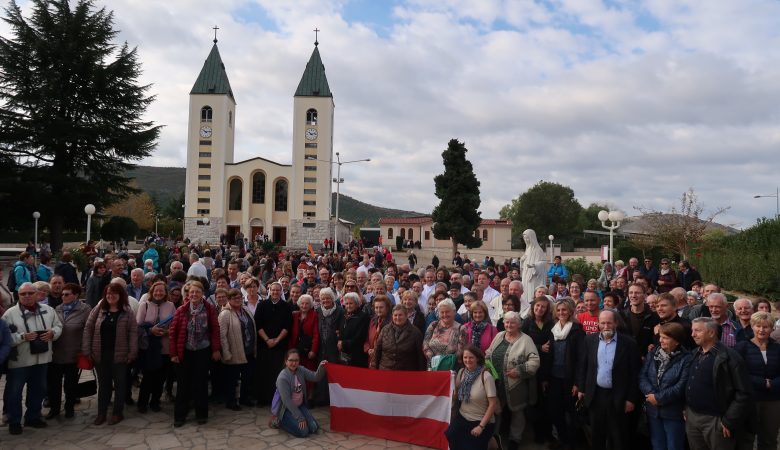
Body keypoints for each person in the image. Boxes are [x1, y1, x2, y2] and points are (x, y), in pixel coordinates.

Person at [575, 309, 641, 450]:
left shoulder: (629, 343)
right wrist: (581, 388)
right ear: (598, 324)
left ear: (616, 323)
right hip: (595, 395)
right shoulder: (589, 340)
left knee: (618, 436)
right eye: (603, 323)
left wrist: (631, 398)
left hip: (618, 396)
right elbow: (583, 365)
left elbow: (635, 373)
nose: (606, 326)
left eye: (609, 323)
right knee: (597, 433)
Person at [2, 282, 63, 435]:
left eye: (30, 293)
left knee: (39, 389)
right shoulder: (10, 314)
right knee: (15, 392)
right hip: (19, 361)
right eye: (23, 294)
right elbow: (3, 337)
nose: (27, 296)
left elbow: (58, 326)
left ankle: (33, 416)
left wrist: (52, 333)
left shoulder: (48, 310)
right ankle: (15, 421)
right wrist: (22, 337)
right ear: (18, 295)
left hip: (42, 359)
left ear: (37, 294)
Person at [685, 317, 752, 450]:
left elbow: (744, 393)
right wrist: (686, 408)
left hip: (716, 420)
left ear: (711, 333)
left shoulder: (731, 357)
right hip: (692, 417)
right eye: (693, 330)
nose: (692, 334)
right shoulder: (695, 354)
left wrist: (729, 420)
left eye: (697, 331)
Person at [82, 282, 138, 425]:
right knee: (104, 385)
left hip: (119, 355)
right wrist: (87, 349)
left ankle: (117, 413)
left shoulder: (127, 311)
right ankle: (101, 413)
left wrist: (132, 353)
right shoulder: (99, 309)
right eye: (108, 293)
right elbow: (88, 327)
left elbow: (133, 333)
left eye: (114, 293)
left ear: (121, 295)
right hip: (100, 354)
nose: (110, 296)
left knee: (120, 385)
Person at [485, 311, 541, 450]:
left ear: (519, 324)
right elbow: (489, 352)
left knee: (518, 413)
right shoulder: (499, 335)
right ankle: (494, 437)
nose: (509, 325)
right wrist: (487, 365)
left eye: (513, 322)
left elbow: (535, 361)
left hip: (516, 385)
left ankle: (515, 439)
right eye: (507, 322)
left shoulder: (526, 340)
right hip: (496, 383)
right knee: (495, 410)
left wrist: (519, 370)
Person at [169, 280, 221, 427]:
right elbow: (173, 332)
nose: (194, 294)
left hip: (203, 350)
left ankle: (201, 414)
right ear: (188, 294)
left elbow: (215, 329)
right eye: (192, 292)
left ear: (202, 293)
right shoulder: (182, 310)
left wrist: (216, 349)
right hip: (185, 350)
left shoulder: (209, 309)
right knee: (183, 384)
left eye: (197, 292)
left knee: (201, 383)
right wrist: (173, 353)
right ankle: (180, 416)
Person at [639, 322, 692, 450]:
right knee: (657, 444)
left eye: (665, 338)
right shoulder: (653, 353)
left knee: (674, 445)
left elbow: (681, 386)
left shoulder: (687, 358)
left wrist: (659, 398)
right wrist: (651, 395)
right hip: (653, 410)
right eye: (660, 337)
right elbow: (642, 376)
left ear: (677, 341)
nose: (661, 341)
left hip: (673, 412)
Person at [734, 312, 780, 450]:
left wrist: (772, 383)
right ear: (752, 327)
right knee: (746, 438)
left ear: (772, 328)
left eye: (766, 327)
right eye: (758, 326)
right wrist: (762, 383)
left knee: (769, 438)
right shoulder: (742, 347)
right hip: (749, 398)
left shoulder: (777, 348)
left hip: (773, 399)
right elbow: (738, 373)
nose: (761, 330)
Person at [47, 283, 90, 419]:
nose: (63, 296)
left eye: (67, 294)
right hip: (56, 353)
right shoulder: (57, 309)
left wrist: (85, 350)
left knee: (70, 384)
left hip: (73, 354)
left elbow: (88, 331)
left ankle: (69, 408)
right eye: (62, 294)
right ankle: (54, 409)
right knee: (54, 384)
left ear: (76, 295)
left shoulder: (85, 310)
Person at [546, 299, 585, 450]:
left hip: (570, 379)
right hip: (554, 377)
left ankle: (571, 443)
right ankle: (562, 440)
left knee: (571, 413)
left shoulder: (577, 330)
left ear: (570, 311)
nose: (561, 312)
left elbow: (581, 359)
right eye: (559, 310)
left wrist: (578, 383)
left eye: (564, 310)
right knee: (555, 410)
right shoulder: (553, 329)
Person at [445, 345, 499, 450]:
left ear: (477, 358)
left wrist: (481, 427)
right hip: (463, 416)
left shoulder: (486, 376)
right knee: (450, 435)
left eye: (471, 357)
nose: (467, 360)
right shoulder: (461, 373)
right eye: (465, 357)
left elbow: (493, 404)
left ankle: (492, 442)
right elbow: (455, 396)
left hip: (481, 420)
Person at [136, 280, 175, 413]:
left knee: (160, 377)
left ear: (165, 293)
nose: (159, 293)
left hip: (164, 347)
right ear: (152, 292)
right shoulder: (144, 305)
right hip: (149, 347)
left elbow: (175, 326)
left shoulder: (170, 306)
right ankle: (142, 402)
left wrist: (167, 332)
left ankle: (155, 401)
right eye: (156, 290)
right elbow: (138, 327)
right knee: (148, 377)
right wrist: (150, 331)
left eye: (161, 291)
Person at [521, 296, 555, 445]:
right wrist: (540, 347)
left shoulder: (551, 323)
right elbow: (521, 342)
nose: (540, 309)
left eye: (543, 307)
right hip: (532, 369)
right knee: (534, 403)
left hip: (547, 367)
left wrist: (545, 347)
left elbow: (553, 343)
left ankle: (548, 433)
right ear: (533, 307)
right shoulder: (527, 323)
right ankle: (538, 434)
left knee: (547, 403)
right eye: (537, 306)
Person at [274, 349, 327, 437]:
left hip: (299, 405)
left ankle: (297, 420)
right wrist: (300, 417)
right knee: (304, 432)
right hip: (286, 409)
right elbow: (287, 401)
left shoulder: (301, 370)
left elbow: (315, 377)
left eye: (296, 360)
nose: (294, 363)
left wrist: (321, 366)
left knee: (314, 427)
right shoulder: (282, 378)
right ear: (286, 361)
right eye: (291, 360)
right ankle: (280, 422)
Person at [219, 288, 257, 410]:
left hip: (248, 350)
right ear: (229, 300)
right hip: (234, 351)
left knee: (247, 376)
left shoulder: (245, 310)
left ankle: (244, 398)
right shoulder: (225, 314)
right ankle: (231, 401)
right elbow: (222, 336)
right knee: (232, 379)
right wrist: (226, 353)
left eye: (239, 297)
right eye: (234, 298)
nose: (237, 300)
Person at [255, 282, 292, 405]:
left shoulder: (286, 307)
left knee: (277, 373)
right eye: (273, 290)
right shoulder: (262, 305)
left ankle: (276, 399)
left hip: (279, 346)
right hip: (264, 345)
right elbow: (258, 325)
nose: (275, 292)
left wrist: (276, 340)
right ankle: (263, 399)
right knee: (263, 372)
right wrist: (267, 340)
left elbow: (287, 326)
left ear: (281, 291)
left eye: (278, 290)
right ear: (269, 290)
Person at [372, 304, 426, 371]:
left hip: (406, 373)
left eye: (400, 315)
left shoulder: (415, 332)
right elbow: (377, 351)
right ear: (392, 316)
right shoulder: (385, 330)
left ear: (406, 316)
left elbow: (420, 356)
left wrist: (421, 373)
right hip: (385, 371)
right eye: (395, 315)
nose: (397, 318)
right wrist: (374, 368)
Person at [288, 294, 319, 398]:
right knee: (295, 372)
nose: (304, 305)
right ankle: (298, 396)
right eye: (302, 303)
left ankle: (309, 396)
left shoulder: (314, 315)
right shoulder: (295, 315)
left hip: (308, 349)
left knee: (309, 372)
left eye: (307, 303)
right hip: (296, 348)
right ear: (299, 304)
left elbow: (316, 334)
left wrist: (313, 350)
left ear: (310, 305)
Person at [423, 299, 463, 371]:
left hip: (451, 368)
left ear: (454, 312)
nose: (445, 315)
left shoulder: (461, 329)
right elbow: (425, 342)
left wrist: (443, 361)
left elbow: (461, 351)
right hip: (432, 367)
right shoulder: (433, 325)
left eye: (447, 312)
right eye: (442, 312)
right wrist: (430, 356)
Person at [338, 292, 369, 367]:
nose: (348, 306)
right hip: (344, 354)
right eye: (347, 303)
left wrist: (343, 343)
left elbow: (360, 338)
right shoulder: (344, 314)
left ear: (357, 304)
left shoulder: (363, 317)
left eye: (351, 303)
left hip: (357, 355)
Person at [520, 230, 546, 306]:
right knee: (525, 292)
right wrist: (521, 261)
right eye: (524, 238)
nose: (526, 240)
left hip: (534, 276)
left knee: (532, 292)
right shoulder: (527, 249)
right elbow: (523, 263)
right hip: (526, 275)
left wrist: (534, 265)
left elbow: (544, 262)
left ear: (532, 238)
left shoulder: (538, 250)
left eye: (527, 238)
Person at [364, 294, 392, 368]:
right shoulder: (373, 320)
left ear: (387, 308)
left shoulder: (392, 322)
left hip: (385, 362)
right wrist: (368, 349)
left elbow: (391, 344)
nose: (378, 310)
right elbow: (367, 338)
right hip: (371, 359)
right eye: (376, 307)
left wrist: (376, 351)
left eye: (381, 307)